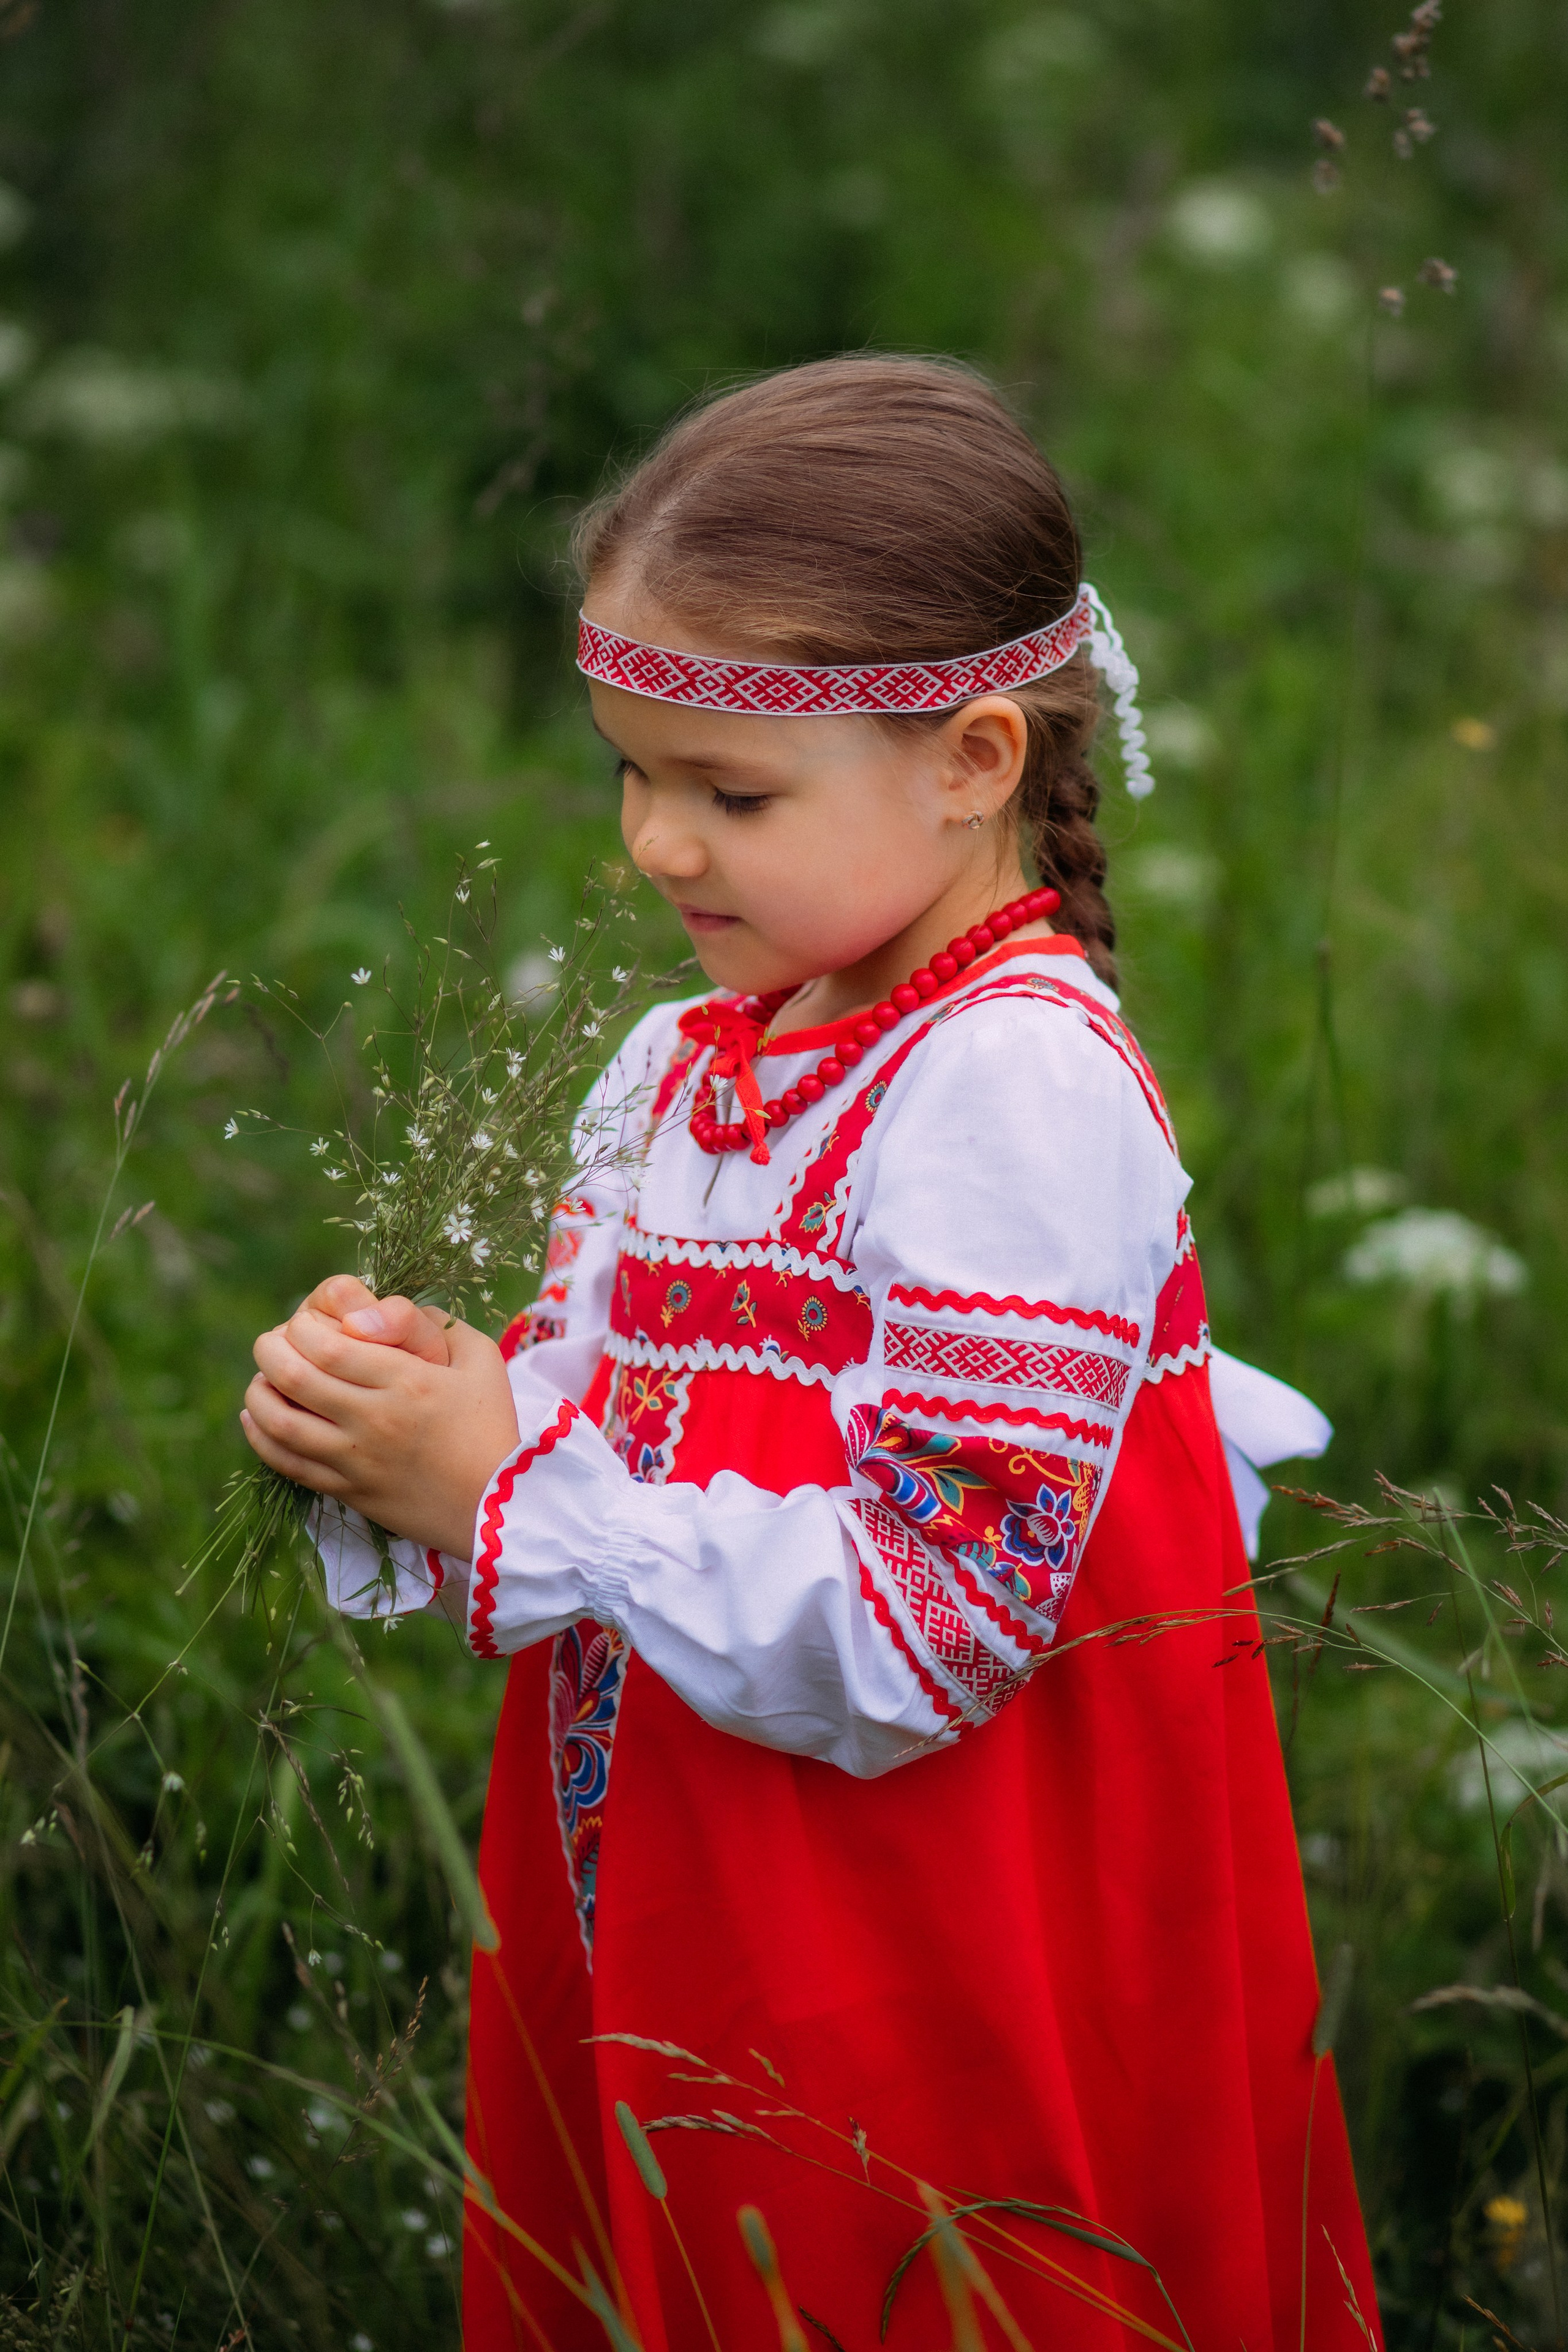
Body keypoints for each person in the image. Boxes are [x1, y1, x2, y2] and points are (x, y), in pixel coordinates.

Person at [241, 356, 1381, 2350]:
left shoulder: (1010, 1090)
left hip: (913, 1936)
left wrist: (514, 1496)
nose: (656, 851)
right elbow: (603, 1438)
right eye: (630, 773)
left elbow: (925, 1634)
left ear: (970, 757)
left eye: (728, 794)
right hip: (689, 1891)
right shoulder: (687, 1065)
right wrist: (416, 1422)